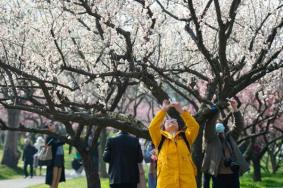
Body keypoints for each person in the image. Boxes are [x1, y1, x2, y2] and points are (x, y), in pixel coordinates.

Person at [148, 100, 199, 188]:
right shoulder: (160, 138)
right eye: (168, 121)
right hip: (166, 183)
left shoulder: (186, 137)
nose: (171, 121)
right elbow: (152, 127)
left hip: (187, 183)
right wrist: (163, 110)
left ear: (178, 126)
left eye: (174, 120)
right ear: (164, 128)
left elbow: (194, 126)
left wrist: (182, 111)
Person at [202, 99, 250, 188]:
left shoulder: (229, 137)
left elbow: (239, 125)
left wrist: (235, 108)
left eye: (220, 123)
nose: (218, 124)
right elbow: (209, 125)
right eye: (216, 123)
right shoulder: (210, 139)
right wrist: (217, 109)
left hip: (233, 173)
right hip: (218, 175)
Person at [45, 124, 66, 188]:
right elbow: (56, 144)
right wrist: (64, 140)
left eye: (52, 125)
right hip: (54, 159)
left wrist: (64, 139)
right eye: (50, 125)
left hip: (60, 158)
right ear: (48, 128)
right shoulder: (49, 137)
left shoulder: (57, 135)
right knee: (53, 180)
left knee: (57, 179)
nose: (53, 126)